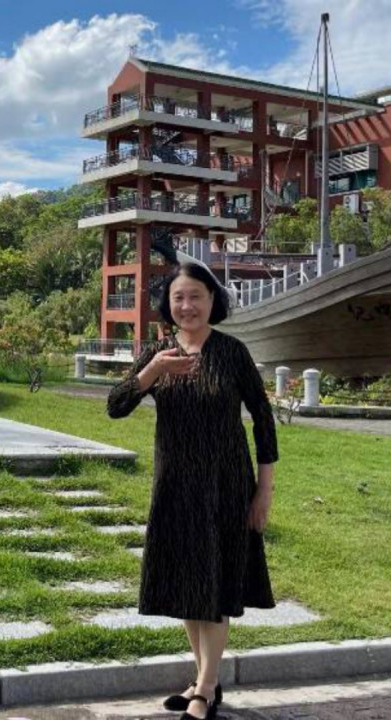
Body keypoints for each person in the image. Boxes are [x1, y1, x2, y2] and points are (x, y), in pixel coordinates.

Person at [107, 262, 278, 720]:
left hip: (226, 486)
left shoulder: (231, 352)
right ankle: (205, 680)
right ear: (168, 304)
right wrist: (152, 372)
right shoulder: (158, 353)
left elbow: (263, 420)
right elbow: (115, 406)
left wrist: (264, 490)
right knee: (188, 583)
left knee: (215, 585)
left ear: (212, 300)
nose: (187, 306)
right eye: (178, 297)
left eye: (196, 296)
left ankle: (203, 689)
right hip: (176, 486)